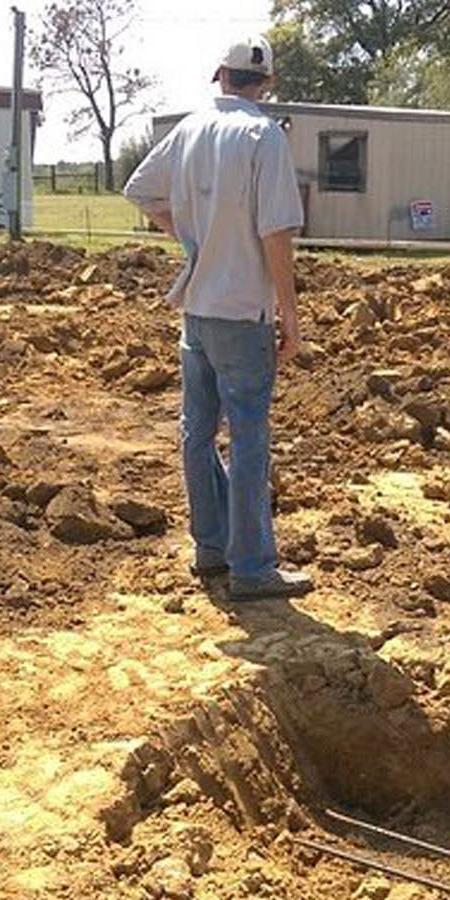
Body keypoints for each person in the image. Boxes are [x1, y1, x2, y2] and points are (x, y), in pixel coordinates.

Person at [123, 37, 312, 601]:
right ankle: (252, 568)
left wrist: (189, 239)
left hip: (197, 311)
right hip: (241, 313)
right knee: (250, 436)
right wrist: (291, 317)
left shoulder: (188, 130)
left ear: (220, 76)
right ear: (268, 83)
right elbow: (276, 232)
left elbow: (137, 189)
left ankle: (210, 549)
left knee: (197, 432)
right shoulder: (262, 136)